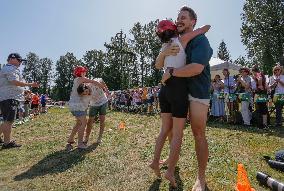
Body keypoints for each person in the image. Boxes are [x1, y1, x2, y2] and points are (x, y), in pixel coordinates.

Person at [159, 7, 213, 190]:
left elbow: (197, 68)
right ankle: (171, 158)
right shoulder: (176, 41)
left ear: (193, 22)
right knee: (173, 129)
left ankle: (201, 178)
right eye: (178, 18)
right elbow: (161, 61)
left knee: (198, 133)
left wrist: (171, 72)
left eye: (183, 17)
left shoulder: (200, 40)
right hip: (179, 91)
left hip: (198, 92)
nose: (179, 20)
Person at [0, 53, 39, 149]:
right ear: (12, 59)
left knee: (6, 120)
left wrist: (24, 90)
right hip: (9, 98)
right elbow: (14, 82)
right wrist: (31, 84)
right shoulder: (10, 69)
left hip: (8, 97)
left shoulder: (9, 68)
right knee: (9, 121)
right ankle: (7, 143)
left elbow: (12, 84)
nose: (21, 62)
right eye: (19, 60)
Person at [66, 66, 105, 150]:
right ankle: (80, 143)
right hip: (78, 106)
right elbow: (92, 81)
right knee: (84, 123)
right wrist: (101, 86)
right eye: (84, 72)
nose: (85, 73)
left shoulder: (77, 80)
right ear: (80, 72)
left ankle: (71, 138)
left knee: (78, 123)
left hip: (75, 106)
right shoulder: (80, 79)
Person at [84, 78, 109, 145]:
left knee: (102, 120)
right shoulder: (84, 92)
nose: (87, 94)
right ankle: (86, 137)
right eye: (85, 93)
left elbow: (102, 81)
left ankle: (99, 138)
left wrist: (107, 90)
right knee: (90, 122)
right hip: (93, 104)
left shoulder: (95, 82)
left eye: (87, 92)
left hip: (103, 102)